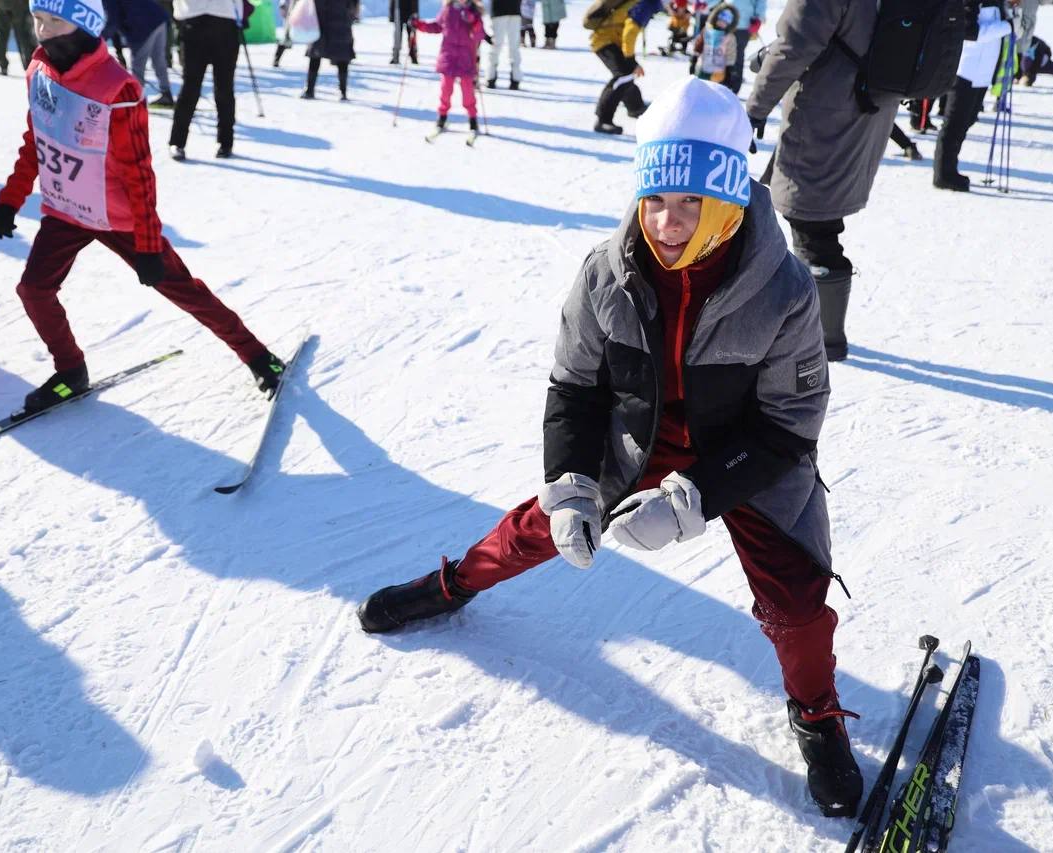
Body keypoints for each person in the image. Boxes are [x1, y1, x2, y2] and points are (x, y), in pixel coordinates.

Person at [358, 77, 863, 819]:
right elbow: (574, 385)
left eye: (691, 201)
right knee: (542, 523)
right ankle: (455, 583)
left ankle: (816, 713)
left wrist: (698, 496)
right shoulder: (607, 270)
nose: (667, 221)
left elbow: (790, 423)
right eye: (654, 198)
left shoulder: (783, 289)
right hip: (640, 440)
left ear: (727, 201)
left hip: (745, 459)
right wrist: (569, 481)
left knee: (796, 595)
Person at [0, 1, 286, 413]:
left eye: (55, 21)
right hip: (66, 209)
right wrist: (12, 197)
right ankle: (71, 371)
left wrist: (147, 245)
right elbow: (37, 139)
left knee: (181, 289)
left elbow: (139, 174)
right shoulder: (39, 69)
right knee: (34, 289)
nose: (43, 31)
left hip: (119, 217)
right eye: (38, 20)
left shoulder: (117, 88)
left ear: (85, 24)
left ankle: (258, 356)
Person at [746, 0, 901, 362]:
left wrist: (755, 109)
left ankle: (820, 338)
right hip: (871, 104)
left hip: (826, 112)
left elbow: (793, 47)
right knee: (820, 218)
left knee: (812, 222)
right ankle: (818, 330)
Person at [933, 0, 1011, 192]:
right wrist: (1006, 26)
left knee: (967, 120)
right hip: (965, 69)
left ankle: (949, 169)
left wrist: (1009, 19)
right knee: (954, 124)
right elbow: (968, 31)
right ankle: (944, 174)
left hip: (982, 70)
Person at [168, 0, 242, 160]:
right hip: (194, 18)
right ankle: (177, 142)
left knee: (224, 87)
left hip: (224, 20)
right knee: (190, 87)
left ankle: (225, 142)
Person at [589, 0, 664, 134]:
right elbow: (630, 32)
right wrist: (631, 61)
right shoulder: (645, 4)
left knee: (627, 74)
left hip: (609, 39)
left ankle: (635, 107)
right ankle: (603, 120)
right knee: (623, 76)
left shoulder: (644, 3)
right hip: (605, 41)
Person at [413, 0, 486, 134]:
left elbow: (480, 34)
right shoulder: (448, 9)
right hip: (449, 56)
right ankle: (442, 116)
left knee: (468, 92)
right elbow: (437, 26)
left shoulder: (474, 11)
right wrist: (419, 25)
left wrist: (474, 22)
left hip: (466, 57)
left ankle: (473, 119)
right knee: (446, 90)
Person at [103, 0, 175, 107]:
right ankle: (166, 93)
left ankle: (136, 99)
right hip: (158, 17)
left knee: (138, 66)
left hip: (143, 26)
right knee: (158, 59)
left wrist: (99, 39)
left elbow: (113, 22)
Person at [301, 0, 357, 101]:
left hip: (322, 17)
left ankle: (310, 90)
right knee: (341, 55)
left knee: (316, 54)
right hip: (338, 17)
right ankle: (343, 92)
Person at [722, 0, 764, 93]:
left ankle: (734, 86)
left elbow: (761, 3)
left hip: (743, 25)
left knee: (737, 55)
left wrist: (758, 18)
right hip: (726, 22)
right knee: (723, 53)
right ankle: (723, 82)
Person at [692, 3, 738, 82]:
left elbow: (731, 53)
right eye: (720, 20)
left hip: (718, 71)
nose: (722, 23)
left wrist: (730, 68)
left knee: (714, 87)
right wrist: (694, 59)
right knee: (700, 84)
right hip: (703, 67)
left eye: (725, 22)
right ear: (715, 18)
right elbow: (699, 44)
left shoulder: (729, 37)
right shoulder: (707, 31)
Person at [0, 0, 39, 76]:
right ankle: (30, 65)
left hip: (1, 5)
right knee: (23, 35)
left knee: (2, 35)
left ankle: (1, 62)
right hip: (19, 5)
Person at [487, 0, 523, 89]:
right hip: (503, 11)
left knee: (511, 45)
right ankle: (491, 76)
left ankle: (515, 78)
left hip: (509, 11)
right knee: (498, 44)